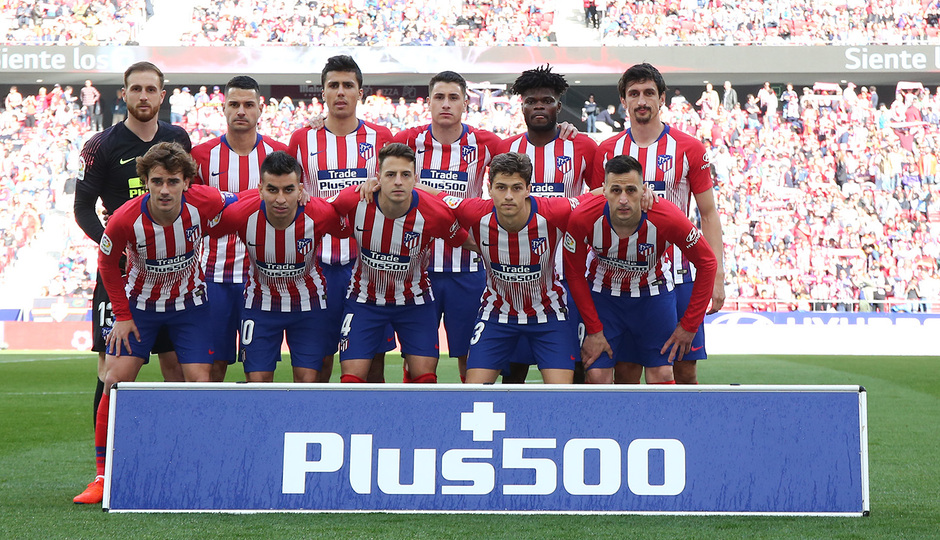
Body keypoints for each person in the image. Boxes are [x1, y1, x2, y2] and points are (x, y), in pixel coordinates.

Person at [73, 141, 244, 505]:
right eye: (157, 181)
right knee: (114, 380)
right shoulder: (124, 218)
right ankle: (103, 476)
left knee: (199, 382)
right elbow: (107, 265)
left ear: (187, 182)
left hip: (190, 308)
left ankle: (197, 466)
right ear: (146, 182)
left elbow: (244, 202)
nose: (165, 190)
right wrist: (122, 316)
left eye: (173, 181)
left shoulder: (205, 201)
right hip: (140, 309)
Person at [72, 61, 192, 500]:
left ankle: (181, 462)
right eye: (135, 89)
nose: (143, 96)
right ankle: (104, 474)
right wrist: (116, 246)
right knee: (112, 369)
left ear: (162, 95)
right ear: (123, 94)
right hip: (120, 275)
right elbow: (82, 208)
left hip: (171, 276)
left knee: (176, 366)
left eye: (150, 89)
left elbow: (193, 196)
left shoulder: (178, 139)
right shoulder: (100, 145)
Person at [593, 62, 725, 385]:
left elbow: (708, 213)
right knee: (626, 370)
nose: (642, 101)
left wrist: (718, 274)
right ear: (623, 101)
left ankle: (683, 421)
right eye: (634, 94)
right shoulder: (608, 150)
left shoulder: (689, 148)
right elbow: (595, 213)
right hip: (625, 278)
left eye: (649, 93)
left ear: (662, 98)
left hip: (679, 275)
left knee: (684, 368)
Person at [427, 153, 587, 384]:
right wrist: (379, 184)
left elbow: (596, 198)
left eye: (516, 188)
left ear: (528, 189)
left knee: (559, 394)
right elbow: (435, 196)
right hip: (496, 315)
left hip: (549, 314)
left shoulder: (554, 211)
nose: (509, 196)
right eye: (501, 187)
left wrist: (640, 194)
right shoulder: (474, 211)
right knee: (474, 392)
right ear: (489, 188)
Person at [564, 155, 717, 384]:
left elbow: (707, 262)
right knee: (597, 375)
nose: (623, 199)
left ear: (644, 190)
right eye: (616, 190)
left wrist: (689, 325)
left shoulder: (667, 217)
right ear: (603, 191)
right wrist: (594, 330)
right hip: (603, 298)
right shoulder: (582, 217)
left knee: (662, 373)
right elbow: (574, 273)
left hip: (653, 297)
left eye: (631, 190)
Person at [288, 55, 393, 382]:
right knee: (319, 361)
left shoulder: (381, 137)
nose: (341, 91)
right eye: (333, 85)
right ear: (323, 92)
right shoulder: (302, 139)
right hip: (317, 266)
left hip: (369, 266)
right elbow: (289, 193)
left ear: (360, 93)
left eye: (348, 85)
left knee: (372, 363)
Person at [392, 71, 502, 382]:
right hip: (417, 270)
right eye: (439, 97)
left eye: (453, 97)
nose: (446, 104)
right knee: (417, 361)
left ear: (466, 103)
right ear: (428, 102)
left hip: (467, 269)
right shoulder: (407, 140)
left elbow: (524, 159)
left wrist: (566, 129)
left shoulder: (486, 143)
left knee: (471, 357)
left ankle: (470, 412)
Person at [330, 143, 469, 384]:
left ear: (416, 178)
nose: (398, 182)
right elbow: (318, 211)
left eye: (405, 175)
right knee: (351, 380)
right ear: (377, 177)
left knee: (425, 379)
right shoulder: (354, 200)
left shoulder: (435, 212)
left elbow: (468, 242)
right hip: (364, 301)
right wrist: (300, 195)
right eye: (390, 175)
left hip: (415, 302)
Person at [208, 151, 350, 382]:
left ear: (301, 190)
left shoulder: (320, 213)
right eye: (272, 190)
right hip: (260, 304)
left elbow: (346, 227)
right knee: (257, 382)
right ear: (260, 189)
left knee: (308, 382)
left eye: (289, 190)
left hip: (308, 304)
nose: (281, 199)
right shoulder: (240, 214)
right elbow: (210, 227)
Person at [497, 64, 599, 383]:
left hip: (568, 275)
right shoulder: (505, 149)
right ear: (522, 106)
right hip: (516, 276)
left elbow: (599, 202)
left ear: (559, 105)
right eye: (531, 101)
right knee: (513, 372)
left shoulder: (583, 147)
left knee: (575, 367)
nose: (538, 106)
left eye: (547, 100)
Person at [191, 75, 288, 382]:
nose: (241, 111)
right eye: (234, 104)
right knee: (212, 368)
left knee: (259, 373)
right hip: (213, 277)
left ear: (261, 109)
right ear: (224, 108)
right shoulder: (201, 156)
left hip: (262, 280)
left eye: (248, 104)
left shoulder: (279, 154)